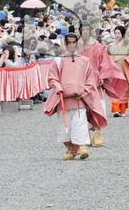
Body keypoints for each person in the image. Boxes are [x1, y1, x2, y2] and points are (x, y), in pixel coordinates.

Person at [43, 32, 107, 161]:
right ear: (65, 44)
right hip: (63, 99)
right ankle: (71, 149)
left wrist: (84, 92)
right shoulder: (58, 61)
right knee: (64, 127)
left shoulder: (85, 61)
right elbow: (52, 78)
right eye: (69, 43)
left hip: (79, 100)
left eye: (73, 43)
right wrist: (58, 87)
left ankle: (82, 147)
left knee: (80, 124)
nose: (71, 45)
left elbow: (90, 80)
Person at [77, 21, 126, 148]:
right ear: (79, 31)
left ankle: (98, 133)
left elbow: (105, 63)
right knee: (81, 108)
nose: (85, 32)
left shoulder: (97, 46)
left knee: (97, 106)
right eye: (83, 30)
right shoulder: (76, 47)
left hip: (94, 79)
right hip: (80, 80)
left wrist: (102, 76)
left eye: (87, 30)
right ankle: (86, 135)